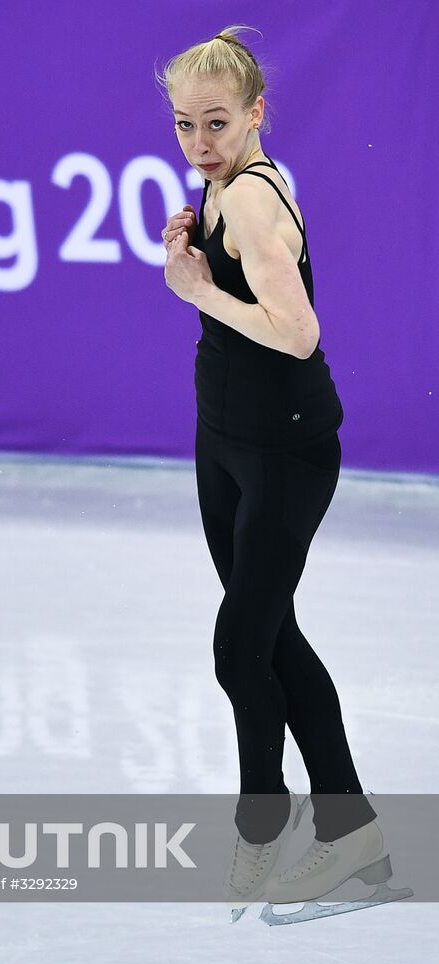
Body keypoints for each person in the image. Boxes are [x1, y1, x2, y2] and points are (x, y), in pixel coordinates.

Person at [156, 25, 385, 905]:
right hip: (226, 440)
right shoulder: (217, 190)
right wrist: (195, 259)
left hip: (284, 450)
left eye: (216, 123)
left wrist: (199, 290)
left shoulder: (250, 198)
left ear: (256, 114)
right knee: (271, 638)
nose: (199, 144)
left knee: (238, 648)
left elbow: (297, 334)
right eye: (183, 125)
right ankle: (351, 837)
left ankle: (263, 827)